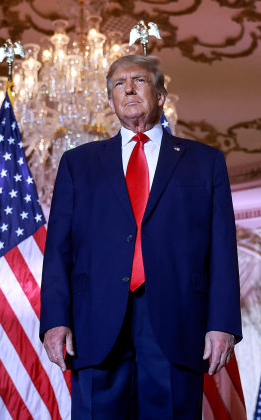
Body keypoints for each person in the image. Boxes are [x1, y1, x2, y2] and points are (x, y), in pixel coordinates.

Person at [40, 55, 241, 419]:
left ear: (161, 94)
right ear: (111, 98)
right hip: (94, 323)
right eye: (119, 83)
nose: (128, 89)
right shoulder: (78, 163)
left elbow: (222, 250)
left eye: (139, 80)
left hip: (178, 319)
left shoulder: (204, 161)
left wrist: (222, 323)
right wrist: (55, 319)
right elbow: (58, 250)